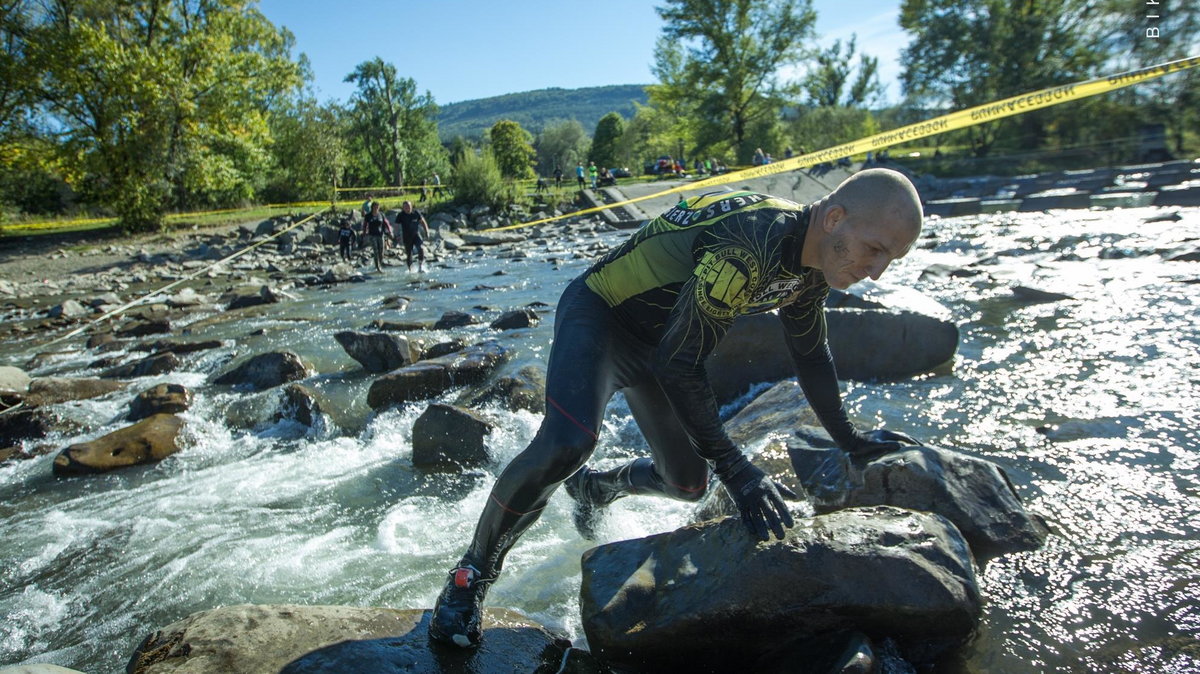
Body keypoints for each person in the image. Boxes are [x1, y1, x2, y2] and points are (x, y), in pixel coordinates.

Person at [428, 168, 926, 648]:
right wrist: (739, 469)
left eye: (891, 261)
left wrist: (851, 441)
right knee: (568, 442)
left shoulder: (815, 265)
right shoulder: (752, 242)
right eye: (875, 250)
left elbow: (812, 356)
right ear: (834, 218)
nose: (877, 272)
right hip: (603, 316)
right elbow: (680, 362)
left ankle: (595, 488)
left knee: (687, 484)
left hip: (667, 344)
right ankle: (470, 575)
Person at [394, 200, 430, 272]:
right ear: (403, 208)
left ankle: (420, 266)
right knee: (409, 254)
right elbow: (396, 225)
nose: (408, 208)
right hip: (407, 237)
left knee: (421, 248)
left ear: (411, 206)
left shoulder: (415, 213)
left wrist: (427, 231)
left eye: (409, 206)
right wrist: (397, 235)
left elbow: (423, 222)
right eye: (406, 207)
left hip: (416, 235)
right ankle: (410, 270)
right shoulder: (401, 215)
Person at [360, 201, 392, 272]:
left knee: (381, 251)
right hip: (372, 235)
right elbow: (365, 225)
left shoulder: (381, 215)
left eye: (377, 207)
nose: (376, 208)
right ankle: (378, 267)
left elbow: (386, 223)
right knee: (376, 251)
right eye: (375, 207)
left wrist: (389, 231)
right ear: (372, 207)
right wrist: (364, 233)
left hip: (380, 235)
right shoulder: (368, 216)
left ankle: (379, 264)